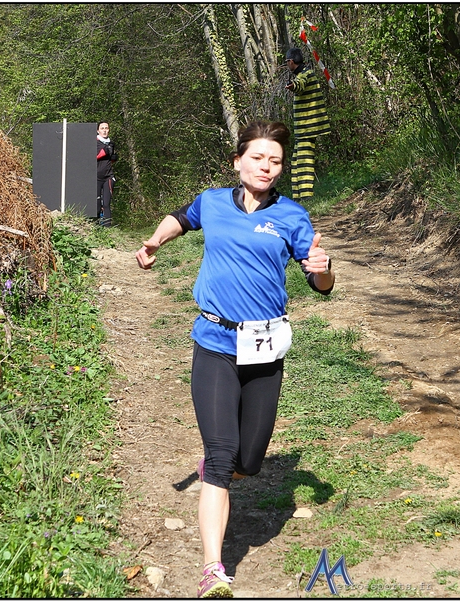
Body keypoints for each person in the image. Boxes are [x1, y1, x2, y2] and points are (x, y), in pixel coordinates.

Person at [135, 121, 335, 598]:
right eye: (258, 157)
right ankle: (213, 570)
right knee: (223, 456)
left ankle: (219, 470)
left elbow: (320, 283)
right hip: (215, 341)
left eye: (275, 160)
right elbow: (181, 218)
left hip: (264, 346)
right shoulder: (212, 202)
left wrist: (324, 270)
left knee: (250, 459)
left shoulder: (292, 216)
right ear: (238, 161)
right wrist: (155, 241)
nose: (266, 167)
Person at [284, 47, 330, 203]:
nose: (287, 65)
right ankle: (297, 199)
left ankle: (306, 197)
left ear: (291, 61)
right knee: (296, 162)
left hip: (308, 128)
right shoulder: (304, 73)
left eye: (287, 62)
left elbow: (300, 84)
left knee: (304, 161)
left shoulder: (306, 74)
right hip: (303, 130)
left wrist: (293, 86)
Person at [96, 121, 118, 226]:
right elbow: (94, 157)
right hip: (96, 177)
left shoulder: (111, 144)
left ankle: (108, 228)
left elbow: (110, 160)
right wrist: (105, 151)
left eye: (106, 128)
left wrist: (113, 158)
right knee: (96, 204)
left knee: (106, 204)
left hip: (108, 176)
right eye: (102, 128)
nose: (104, 130)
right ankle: (94, 227)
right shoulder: (95, 142)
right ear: (98, 131)